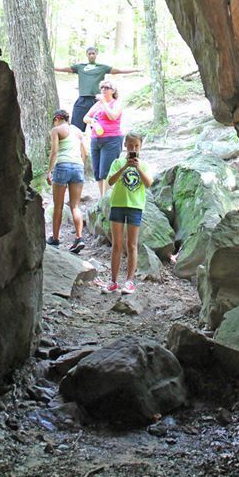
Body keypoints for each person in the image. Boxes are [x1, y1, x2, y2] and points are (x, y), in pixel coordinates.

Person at [104, 131, 152, 295]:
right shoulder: (117, 163)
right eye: (130, 146)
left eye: (136, 146)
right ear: (125, 146)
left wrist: (137, 168)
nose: (133, 148)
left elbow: (148, 183)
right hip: (117, 205)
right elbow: (110, 181)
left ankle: (130, 281)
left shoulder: (143, 165)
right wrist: (125, 166)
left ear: (140, 147)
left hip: (135, 206)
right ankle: (113, 281)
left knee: (132, 244)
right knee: (117, 244)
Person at [54, 46, 140, 129]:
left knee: (99, 126)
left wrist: (136, 70)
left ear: (96, 54)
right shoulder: (80, 67)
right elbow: (64, 69)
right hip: (82, 100)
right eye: (89, 53)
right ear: (86, 54)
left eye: (93, 53)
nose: (91, 55)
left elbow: (118, 71)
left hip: (97, 100)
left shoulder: (102, 67)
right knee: (76, 126)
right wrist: (52, 68)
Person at [46, 109, 87, 253]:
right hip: (78, 167)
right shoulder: (77, 131)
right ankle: (79, 237)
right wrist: (80, 164)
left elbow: (55, 151)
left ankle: (55, 238)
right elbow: (85, 152)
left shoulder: (56, 130)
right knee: (75, 206)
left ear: (57, 119)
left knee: (58, 205)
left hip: (62, 166)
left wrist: (49, 170)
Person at [84, 81, 124, 197]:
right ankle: (102, 198)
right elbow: (85, 117)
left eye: (107, 87)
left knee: (107, 171)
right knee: (97, 172)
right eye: (102, 87)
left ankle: (107, 199)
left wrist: (104, 103)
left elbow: (113, 116)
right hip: (96, 139)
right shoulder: (97, 105)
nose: (104, 89)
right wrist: (91, 121)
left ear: (113, 91)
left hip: (111, 139)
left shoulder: (116, 103)